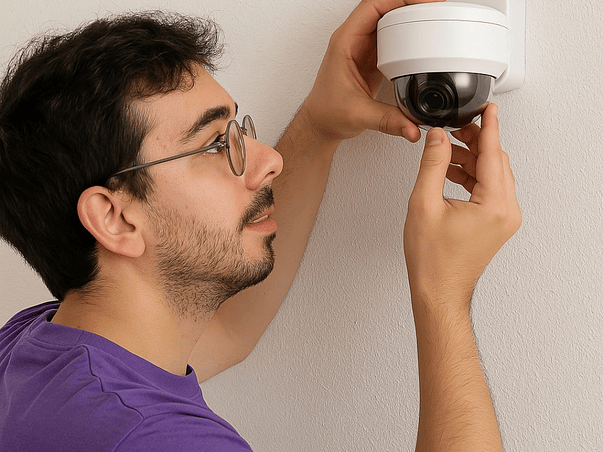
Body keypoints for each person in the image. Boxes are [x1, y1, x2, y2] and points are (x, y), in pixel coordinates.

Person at [0, 0, 521, 451]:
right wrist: (443, 294)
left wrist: (318, 127)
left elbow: (228, 330)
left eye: (236, 128)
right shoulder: (158, 439)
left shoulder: (35, 353)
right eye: (214, 144)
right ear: (114, 218)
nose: (269, 159)